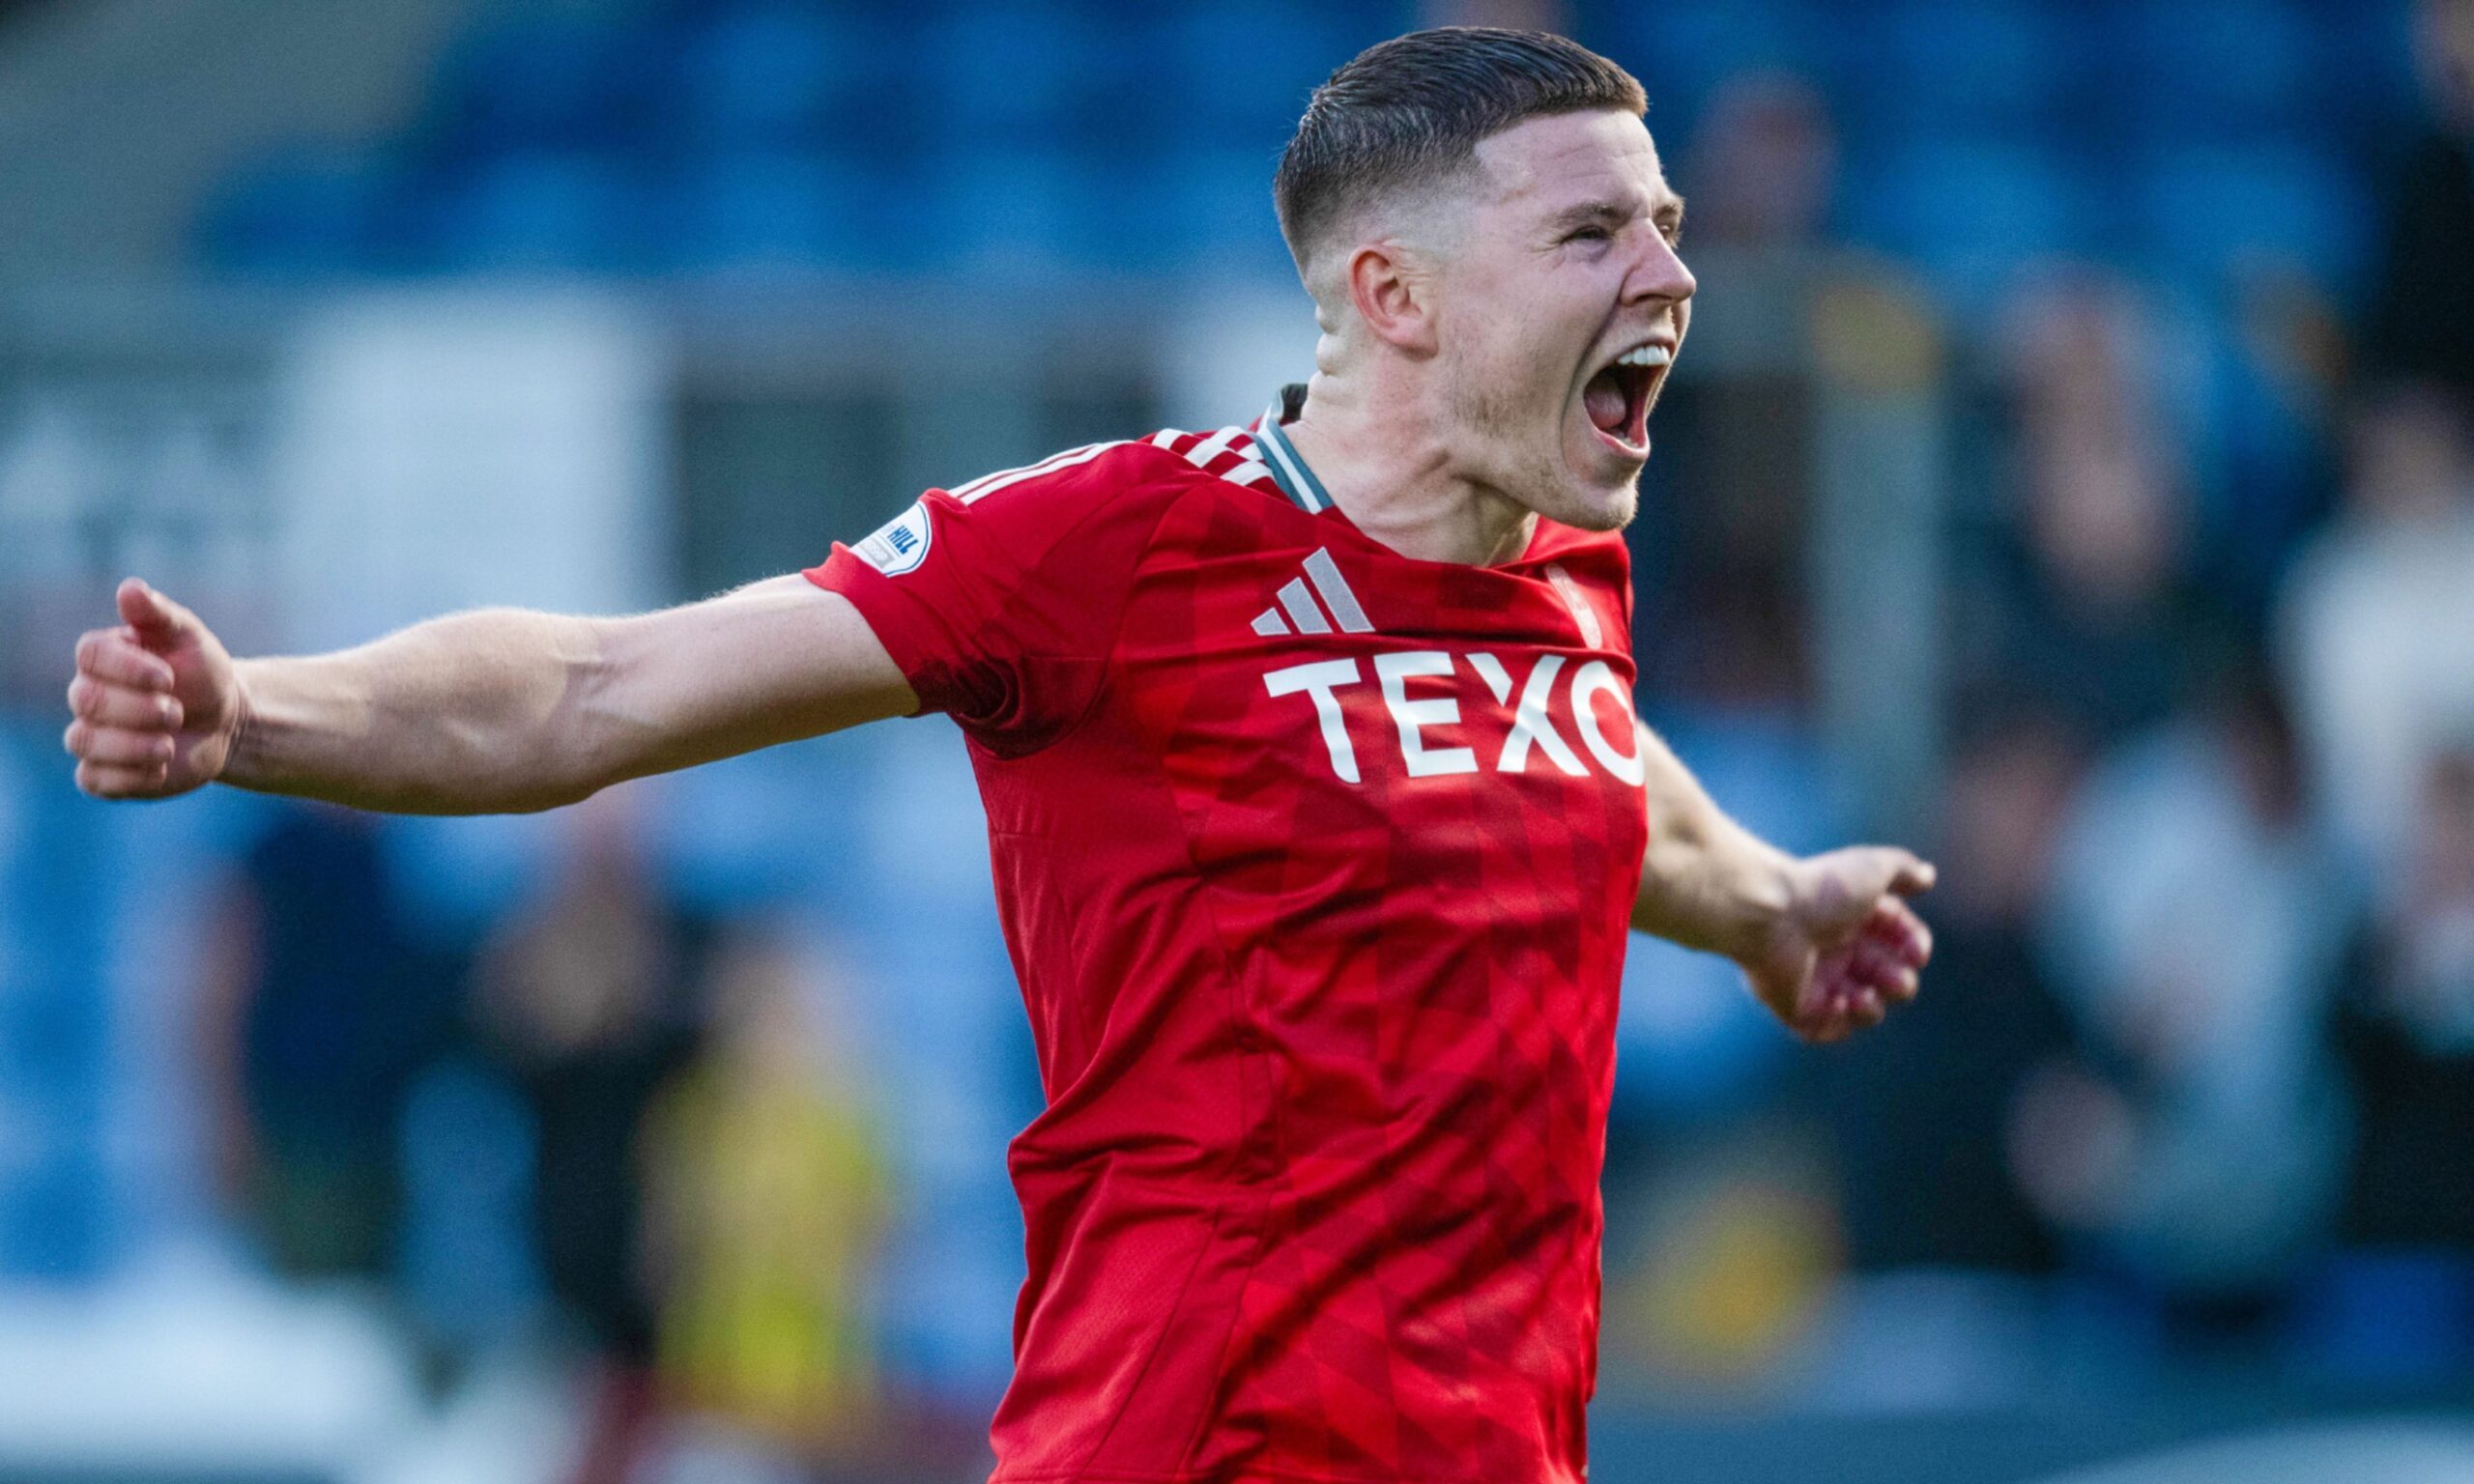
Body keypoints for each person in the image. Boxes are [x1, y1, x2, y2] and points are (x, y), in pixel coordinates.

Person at [60, 29, 1935, 1483]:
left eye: (1670, 223)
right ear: (1394, 297)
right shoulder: (1106, 551)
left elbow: (1587, 764)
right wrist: (257, 715)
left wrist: (1767, 903)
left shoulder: (1560, 570)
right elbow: (593, 692)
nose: (1669, 274)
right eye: (1593, 231)